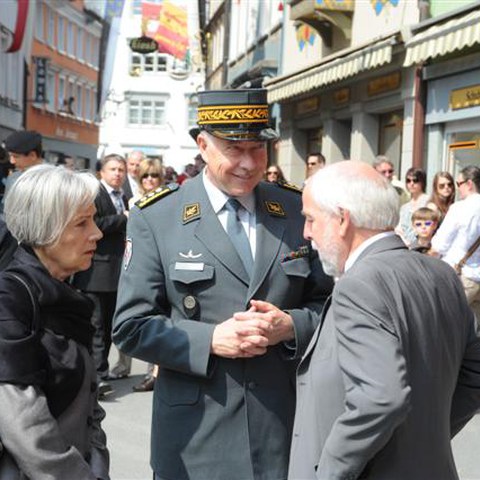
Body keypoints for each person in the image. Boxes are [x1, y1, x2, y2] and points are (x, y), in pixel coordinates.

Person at [113, 88, 333, 480]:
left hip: (285, 427)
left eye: (258, 149)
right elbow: (131, 327)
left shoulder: (296, 211)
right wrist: (211, 340)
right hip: (196, 435)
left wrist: (291, 326)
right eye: (234, 148)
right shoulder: (157, 217)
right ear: (202, 144)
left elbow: (330, 305)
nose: (249, 164)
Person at [289, 160, 480, 480]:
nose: (306, 233)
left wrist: (330, 471)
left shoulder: (358, 285)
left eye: (310, 218)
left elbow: (381, 397)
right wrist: (422, 438)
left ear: (342, 219)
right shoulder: (440, 274)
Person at [0, 164, 109, 479]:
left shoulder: (65, 295)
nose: (97, 233)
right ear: (45, 229)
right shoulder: (10, 298)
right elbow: (23, 424)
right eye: (81, 223)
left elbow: (91, 407)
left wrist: (98, 467)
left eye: (94, 219)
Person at [72, 154, 128, 397]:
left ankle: (99, 372)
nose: (118, 174)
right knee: (95, 325)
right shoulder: (95, 194)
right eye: (113, 169)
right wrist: (123, 218)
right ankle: (98, 376)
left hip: (116, 271)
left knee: (107, 326)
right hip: (95, 270)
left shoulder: (123, 196)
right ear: (102, 172)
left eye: (121, 170)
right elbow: (96, 224)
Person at [110, 157, 164, 388]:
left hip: (159, 262)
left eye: (154, 175)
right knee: (127, 314)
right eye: (145, 176)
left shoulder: (169, 199)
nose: (150, 180)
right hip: (132, 261)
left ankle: (155, 372)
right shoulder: (133, 201)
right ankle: (123, 364)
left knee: (159, 315)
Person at [431, 165, 480, 325]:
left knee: (444, 326)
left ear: (470, 184)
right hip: (476, 278)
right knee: (474, 333)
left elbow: (439, 244)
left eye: (459, 184)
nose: (457, 189)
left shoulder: (459, 208)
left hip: (461, 277)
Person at [1, 130, 43, 212]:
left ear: (32, 155)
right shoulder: (13, 178)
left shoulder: (56, 182)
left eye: (15, 156)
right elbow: (5, 212)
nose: (11, 161)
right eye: (10, 156)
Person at [396, 167, 429, 246]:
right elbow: (399, 228)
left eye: (415, 180)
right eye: (408, 181)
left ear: (422, 182)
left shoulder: (428, 202)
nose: (411, 183)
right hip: (406, 246)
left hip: (423, 245)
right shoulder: (404, 207)